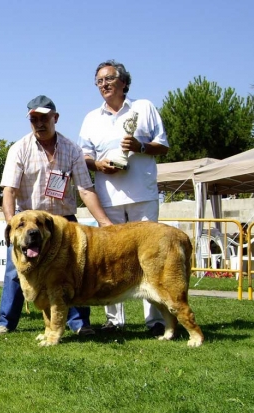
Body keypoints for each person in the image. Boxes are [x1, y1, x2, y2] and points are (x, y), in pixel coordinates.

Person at [0, 95, 112, 337]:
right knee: (16, 272)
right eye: (33, 119)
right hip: (29, 225)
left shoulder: (72, 149)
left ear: (55, 118)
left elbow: (85, 190)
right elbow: (9, 191)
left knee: (76, 272)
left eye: (44, 118)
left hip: (64, 223)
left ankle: (79, 324)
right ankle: (6, 322)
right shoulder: (19, 149)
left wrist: (104, 222)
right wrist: (11, 224)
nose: (39, 123)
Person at [78, 60, 169, 336]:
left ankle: (155, 320)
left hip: (143, 195)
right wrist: (98, 165)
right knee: (110, 260)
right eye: (99, 82)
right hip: (108, 199)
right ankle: (114, 321)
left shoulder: (145, 108)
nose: (104, 85)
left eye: (108, 79)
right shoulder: (91, 118)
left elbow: (163, 146)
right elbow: (84, 157)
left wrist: (141, 146)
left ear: (124, 83)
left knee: (150, 259)